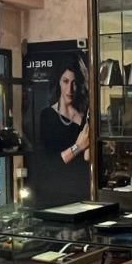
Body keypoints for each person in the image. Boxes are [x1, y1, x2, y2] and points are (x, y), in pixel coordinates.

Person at [35, 55, 91, 206]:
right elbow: (51, 162)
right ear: (58, 82)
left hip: (84, 191)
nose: (70, 89)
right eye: (65, 81)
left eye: (75, 83)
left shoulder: (86, 114)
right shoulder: (48, 116)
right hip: (57, 192)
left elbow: (88, 157)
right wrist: (78, 146)